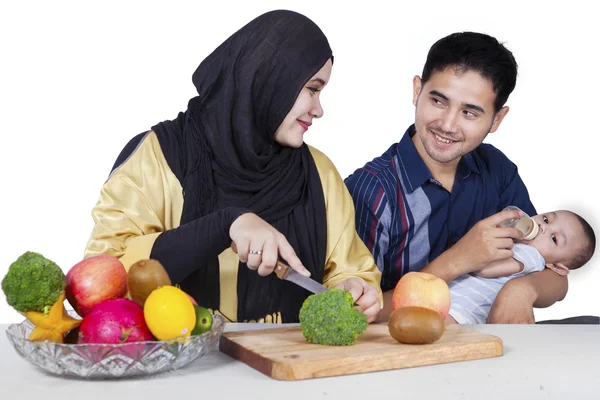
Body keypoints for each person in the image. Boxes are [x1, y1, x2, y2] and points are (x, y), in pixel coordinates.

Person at [83, 10, 382, 324]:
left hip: (287, 365)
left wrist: (355, 289)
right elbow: (102, 280)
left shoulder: (319, 174)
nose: (319, 109)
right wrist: (222, 225)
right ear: (270, 79)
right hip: (177, 369)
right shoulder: (159, 156)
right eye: (312, 88)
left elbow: (350, 270)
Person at [345, 31, 568, 324]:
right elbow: (355, 315)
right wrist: (459, 259)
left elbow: (556, 275)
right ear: (417, 90)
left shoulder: (497, 170)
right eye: (438, 101)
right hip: (400, 356)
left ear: (497, 119)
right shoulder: (371, 191)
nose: (448, 124)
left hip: (486, 347)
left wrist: (521, 291)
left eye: (470, 113)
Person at [447, 209, 596, 324]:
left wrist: (467, 251)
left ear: (556, 267)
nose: (543, 227)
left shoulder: (531, 255)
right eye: (546, 219)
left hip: (462, 313)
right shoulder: (518, 244)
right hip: (453, 305)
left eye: (554, 238)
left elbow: (484, 269)